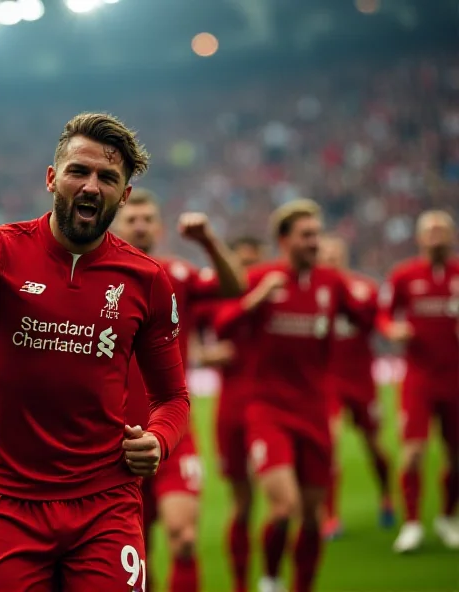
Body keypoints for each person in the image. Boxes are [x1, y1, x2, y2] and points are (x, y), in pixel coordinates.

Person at [0, 112, 191, 591]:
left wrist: (160, 440)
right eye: (78, 171)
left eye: (108, 177)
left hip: (105, 500)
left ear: (124, 195)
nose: (91, 186)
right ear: (52, 178)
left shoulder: (146, 279)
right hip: (7, 501)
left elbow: (173, 398)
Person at [212, 200, 374, 592]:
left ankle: (302, 584)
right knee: (284, 507)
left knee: (314, 516)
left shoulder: (331, 283)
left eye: (317, 235)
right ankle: (269, 579)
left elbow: (366, 321)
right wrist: (257, 299)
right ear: (284, 240)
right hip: (267, 410)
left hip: (316, 410)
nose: (315, 242)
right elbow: (221, 325)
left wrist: (359, 291)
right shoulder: (262, 277)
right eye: (307, 235)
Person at [111, 188, 245, 592]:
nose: (140, 225)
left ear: (159, 226)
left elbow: (235, 287)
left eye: (147, 218)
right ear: (116, 225)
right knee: (133, 561)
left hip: (171, 434)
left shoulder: (178, 273)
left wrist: (207, 240)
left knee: (184, 540)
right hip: (114, 440)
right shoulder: (99, 278)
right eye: (131, 218)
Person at [378, 210, 459, 553]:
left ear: (452, 235)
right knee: (412, 454)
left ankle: (446, 517)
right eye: (431, 230)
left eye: (443, 229)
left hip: (456, 378)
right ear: (419, 237)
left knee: (456, 456)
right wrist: (392, 329)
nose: (437, 235)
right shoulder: (404, 275)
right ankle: (411, 523)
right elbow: (383, 313)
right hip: (419, 378)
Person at [196, 236, 264, 592]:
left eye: (252, 263)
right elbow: (194, 342)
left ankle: (272, 576)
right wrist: (207, 356)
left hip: (274, 405)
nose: (247, 271)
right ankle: (241, 581)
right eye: (241, 264)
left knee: (285, 501)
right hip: (232, 407)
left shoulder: (275, 296)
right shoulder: (217, 302)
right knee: (243, 500)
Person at [318, 235, 393, 540]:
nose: (331, 259)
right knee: (330, 444)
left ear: (345, 256)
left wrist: (392, 329)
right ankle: (330, 516)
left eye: (336, 253)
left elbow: (380, 322)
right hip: (328, 381)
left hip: (361, 380)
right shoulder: (314, 290)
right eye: (326, 254)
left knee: (374, 444)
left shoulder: (364, 288)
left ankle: (387, 496)